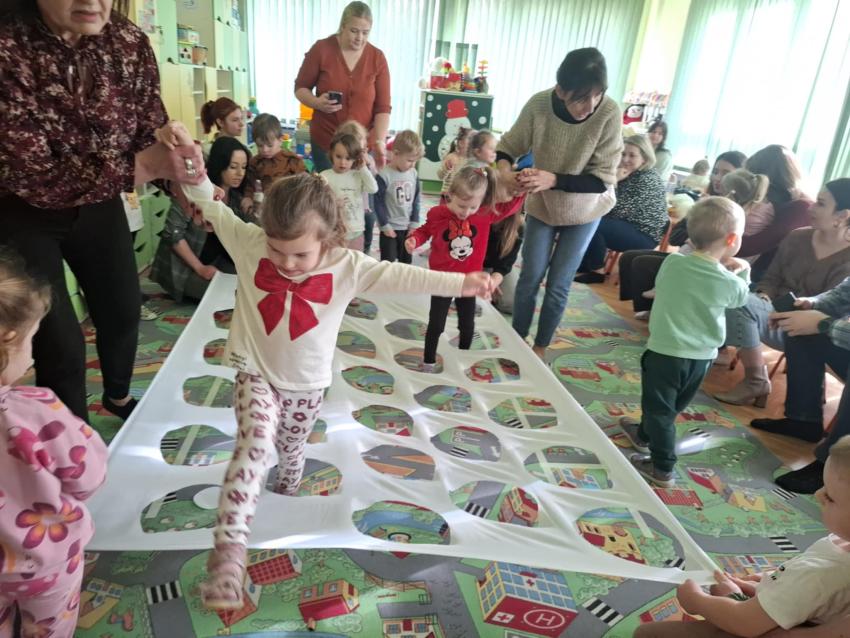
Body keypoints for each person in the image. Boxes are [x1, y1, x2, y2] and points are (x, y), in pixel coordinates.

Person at [175, 172, 492, 609]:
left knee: (291, 453)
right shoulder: (249, 242)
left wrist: (462, 284)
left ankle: (286, 492)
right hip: (255, 371)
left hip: (307, 386)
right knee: (254, 444)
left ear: (326, 239)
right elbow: (212, 207)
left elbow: (402, 276)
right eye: (277, 250)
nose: (287, 264)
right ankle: (229, 553)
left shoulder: (347, 266)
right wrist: (194, 171)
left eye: (300, 254)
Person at [0, 0, 204, 423]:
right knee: (58, 342)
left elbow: (148, 128)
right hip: (20, 208)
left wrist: (180, 183)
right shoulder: (8, 43)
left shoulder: (127, 41)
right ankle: (71, 438)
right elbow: (33, 171)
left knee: (123, 307)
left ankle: (117, 395)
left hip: (99, 200)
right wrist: (145, 168)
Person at [635, 435, 850, 637]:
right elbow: (814, 598)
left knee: (647, 634)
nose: (817, 494)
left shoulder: (823, 575)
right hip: (784, 615)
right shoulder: (838, 545)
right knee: (719, 585)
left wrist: (697, 601)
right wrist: (766, 585)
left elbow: (744, 622)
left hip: (760, 627)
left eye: (830, 497)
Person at [0, 251, 108, 637]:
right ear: (8, 342)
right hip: (47, 561)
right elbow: (89, 477)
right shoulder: (37, 413)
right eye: (31, 339)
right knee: (48, 626)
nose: (32, 353)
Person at [495, 47, 623, 359]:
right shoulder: (540, 105)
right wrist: (506, 174)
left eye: (597, 95)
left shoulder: (609, 112)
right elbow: (507, 147)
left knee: (559, 283)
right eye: (581, 98)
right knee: (530, 277)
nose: (590, 106)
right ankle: (517, 341)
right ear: (560, 90)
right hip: (543, 206)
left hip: (587, 209)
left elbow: (601, 179)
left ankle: (540, 348)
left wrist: (552, 179)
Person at [619, 197, 750, 486]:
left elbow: (671, 283)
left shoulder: (673, 263)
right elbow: (741, 296)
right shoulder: (730, 282)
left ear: (691, 234)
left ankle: (662, 466)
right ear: (732, 239)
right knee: (670, 405)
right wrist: (743, 270)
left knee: (659, 408)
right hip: (702, 358)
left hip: (665, 353)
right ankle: (644, 435)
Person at [715, 179, 850, 407]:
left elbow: (836, 309)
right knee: (736, 296)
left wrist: (806, 309)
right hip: (772, 313)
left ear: (843, 215)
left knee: (742, 303)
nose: (810, 207)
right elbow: (771, 278)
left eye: (820, 203)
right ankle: (752, 376)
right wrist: (763, 295)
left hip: (814, 332)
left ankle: (757, 381)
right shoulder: (797, 237)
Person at [405, 165, 524, 372]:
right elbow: (425, 231)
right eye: (461, 206)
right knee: (436, 324)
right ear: (450, 195)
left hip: (470, 280)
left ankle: (463, 356)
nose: (466, 212)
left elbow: (510, 208)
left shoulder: (484, 214)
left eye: (472, 207)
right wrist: (414, 239)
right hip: (442, 279)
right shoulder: (437, 213)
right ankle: (428, 361)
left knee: (467, 324)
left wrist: (523, 190)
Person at [618, 151, 748, 315]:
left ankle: (656, 308)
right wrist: (700, 236)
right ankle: (648, 307)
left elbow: (731, 249)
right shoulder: (706, 204)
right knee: (629, 257)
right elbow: (675, 236)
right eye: (715, 171)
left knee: (643, 262)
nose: (717, 178)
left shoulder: (736, 214)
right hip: (688, 255)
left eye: (725, 173)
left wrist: (701, 238)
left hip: (708, 263)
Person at [294, 1, 390, 172]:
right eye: (354, 31)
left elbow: (383, 108)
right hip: (326, 142)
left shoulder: (377, 58)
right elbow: (300, 88)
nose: (359, 38)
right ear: (343, 26)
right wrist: (317, 103)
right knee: (328, 187)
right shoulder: (321, 49)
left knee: (359, 188)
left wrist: (380, 141)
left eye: (365, 33)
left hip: (361, 147)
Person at [574, 135, 669, 284]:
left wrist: (614, 182)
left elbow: (617, 209)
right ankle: (586, 264)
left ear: (644, 158)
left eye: (632, 155)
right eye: (623, 154)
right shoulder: (632, 173)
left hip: (644, 235)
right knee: (589, 219)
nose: (625, 159)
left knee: (593, 222)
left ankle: (597, 271)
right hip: (630, 226)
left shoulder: (646, 178)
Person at [739, 145, 812, 283]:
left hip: (758, 275)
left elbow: (754, 245)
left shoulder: (797, 207)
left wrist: (714, 242)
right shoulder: (793, 203)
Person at [320, 131, 378, 250]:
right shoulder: (324, 176)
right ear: (331, 154)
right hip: (333, 231)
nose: (343, 162)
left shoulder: (358, 175)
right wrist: (333, 203)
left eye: (348, 158)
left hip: (356, 231)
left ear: (355, 158)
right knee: (334, 260)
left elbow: (373, 189)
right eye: (338, 156)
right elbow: (318, 202)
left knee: (355, 260)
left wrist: (363, 168)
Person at [241, 113, 306, 217]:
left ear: (280, 140)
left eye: (270, 145)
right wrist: (248, 197)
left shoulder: (293, 160)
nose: (265, 150)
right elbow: (249, 183)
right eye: (260, 145)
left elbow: (305, 185)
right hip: (265, 209)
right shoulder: (255, 162)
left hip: (290, 209)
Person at [374, 130, 423, 263]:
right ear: (395, 154)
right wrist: (384, 225)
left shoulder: (413, 173)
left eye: (415, 161)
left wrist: (414, 223)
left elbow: (416, 200)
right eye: (409, 160)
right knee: (387, 263)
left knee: (406, 263)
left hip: (407, 228)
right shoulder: (383, 175)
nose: (412, 165)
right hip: (390, 228)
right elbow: (378, 203)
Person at [336, 120, 378, 254]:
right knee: (346, 228)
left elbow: (374, 178)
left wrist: (366, 164)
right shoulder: (343, 160)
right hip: (349, 204)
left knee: (369, 223)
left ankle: (366, 249)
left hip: (365, 204)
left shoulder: (368, 158)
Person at [438, 126, 475, 197]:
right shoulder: (452, 157)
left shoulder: (473, 161)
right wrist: (446, 168)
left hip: (463, 197)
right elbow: (440, 176)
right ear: (461, 143)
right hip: (448, 196)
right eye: (470, 138)